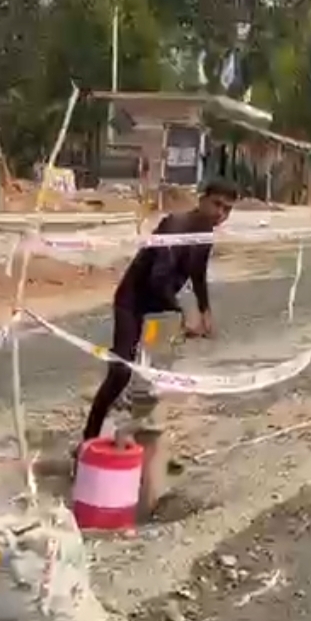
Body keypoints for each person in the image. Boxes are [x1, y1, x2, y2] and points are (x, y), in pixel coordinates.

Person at [81, 178, 239, 443]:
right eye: (217, 204)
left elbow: (198, 273)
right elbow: (158, 278)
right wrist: (183, 314)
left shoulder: (205, 235)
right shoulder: (174, 226)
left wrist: (204, 310)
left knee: (155, 380)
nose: (220, 214)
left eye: (227, 210)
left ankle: (136, 438)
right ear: (202, 200)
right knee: (121, 371)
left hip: (161, 310)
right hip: (133, 302)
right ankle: (89, 438)